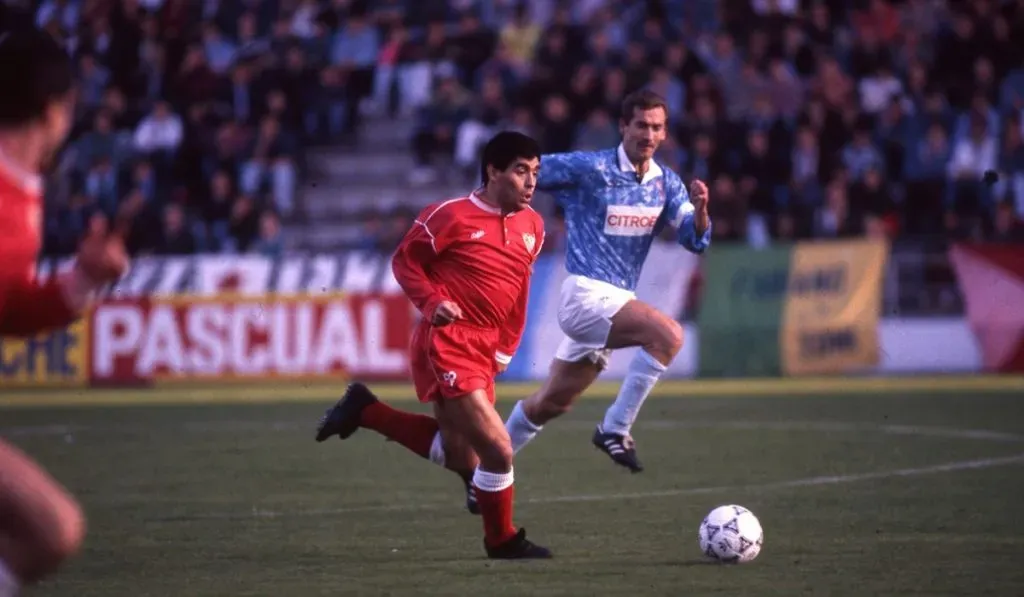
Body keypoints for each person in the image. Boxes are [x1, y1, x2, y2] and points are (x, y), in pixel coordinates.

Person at [315, 131, 550, 559]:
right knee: (498, 450)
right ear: (493, 171)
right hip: (447, 342)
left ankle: (366, 410)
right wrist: (433, 301)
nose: (531, 182)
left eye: (535, 172)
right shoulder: (450, 216)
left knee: (459, 453)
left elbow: (520, 290)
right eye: (521, 171)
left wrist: (505, 347)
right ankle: (501, 540)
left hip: (484, 344)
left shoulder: (533, 225)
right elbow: (405, 261)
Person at [503, 89, 712, 473]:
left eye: (657, 127)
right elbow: (527, 170)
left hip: (613, 304)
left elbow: (694, 239)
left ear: (665, 134)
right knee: (668, 335)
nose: (648, 135)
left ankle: (487, 470)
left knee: (551, 402)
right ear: (623, 126)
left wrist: (700, 213)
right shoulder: (590, 168)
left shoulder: (667, 184)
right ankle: (615, 428)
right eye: (641, 125)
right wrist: (506, 211)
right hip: (583, 295)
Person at [0, 29, 129, 596]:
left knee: (52, 531)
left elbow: (6, 304)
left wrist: (80, 281)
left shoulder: (22, 188)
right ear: (57, 109)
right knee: (50, 529)